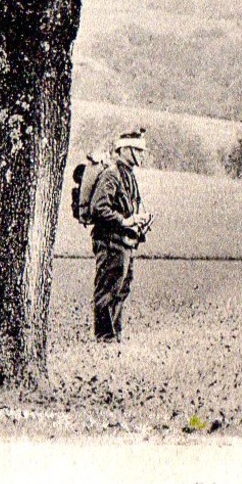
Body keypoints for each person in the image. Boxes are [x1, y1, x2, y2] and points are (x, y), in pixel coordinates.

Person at [87, 129, 153, 341]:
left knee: (121, 288)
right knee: (108, 288)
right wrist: (126, 221)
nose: (141, 155)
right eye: (137, 150)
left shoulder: (128, 176)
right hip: (110, 242)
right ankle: (105, 336)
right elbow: (98, 208)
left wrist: (138, 219)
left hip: (123, 242)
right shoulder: (112, 175)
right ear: (124, 150)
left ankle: (114, 335)